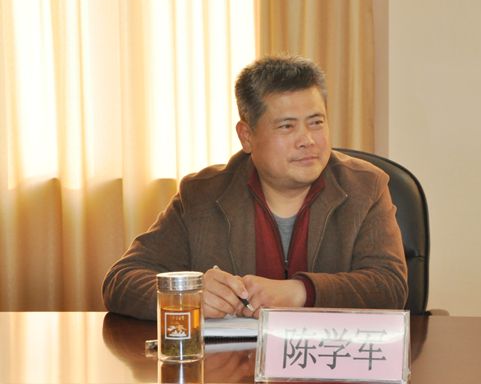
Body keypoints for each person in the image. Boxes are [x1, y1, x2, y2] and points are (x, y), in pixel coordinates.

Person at [102, 55, 408, 320]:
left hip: (329, 362)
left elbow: (389, 286)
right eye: (287, 126)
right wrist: (188, 297)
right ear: (247, 136)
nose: (307, 140)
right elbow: (121, 280)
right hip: (234, 363)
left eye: (316, 122)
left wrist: (300, 291)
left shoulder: (365, 187)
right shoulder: (202, 196)